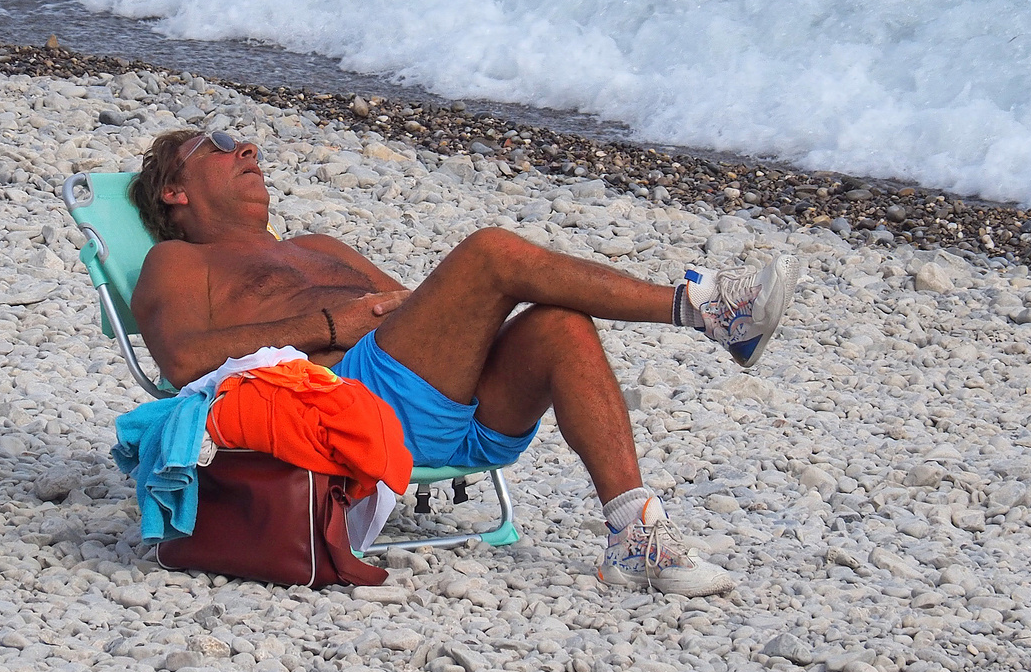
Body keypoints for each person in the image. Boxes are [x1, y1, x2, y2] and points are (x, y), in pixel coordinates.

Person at [129, 128, 800, 595]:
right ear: (175, 192)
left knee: (560, 325)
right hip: (348, 408)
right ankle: (708, 308)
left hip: (441, 403)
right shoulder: (179, 262)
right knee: (489, 252)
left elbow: (432, 313)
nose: (245, 148)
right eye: (215, 146)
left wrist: (425, 317)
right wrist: (332, 322)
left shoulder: (315, 242)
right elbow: (183, 361)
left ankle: (634, 537)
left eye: (242, 142)